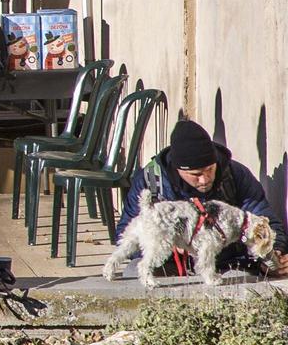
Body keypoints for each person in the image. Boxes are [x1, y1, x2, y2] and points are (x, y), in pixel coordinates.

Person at [116, 119, 288, 278]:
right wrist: (164, 242)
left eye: (209, 170)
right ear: (177, 169)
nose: (204, 180)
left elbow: (265, 218)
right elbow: (127, 232)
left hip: (226, 265)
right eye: (195, 174)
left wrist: (275, 252)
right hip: (170, 265)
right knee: (133, 272)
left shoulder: (235, 175)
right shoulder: (150, 183)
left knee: (242, 282)